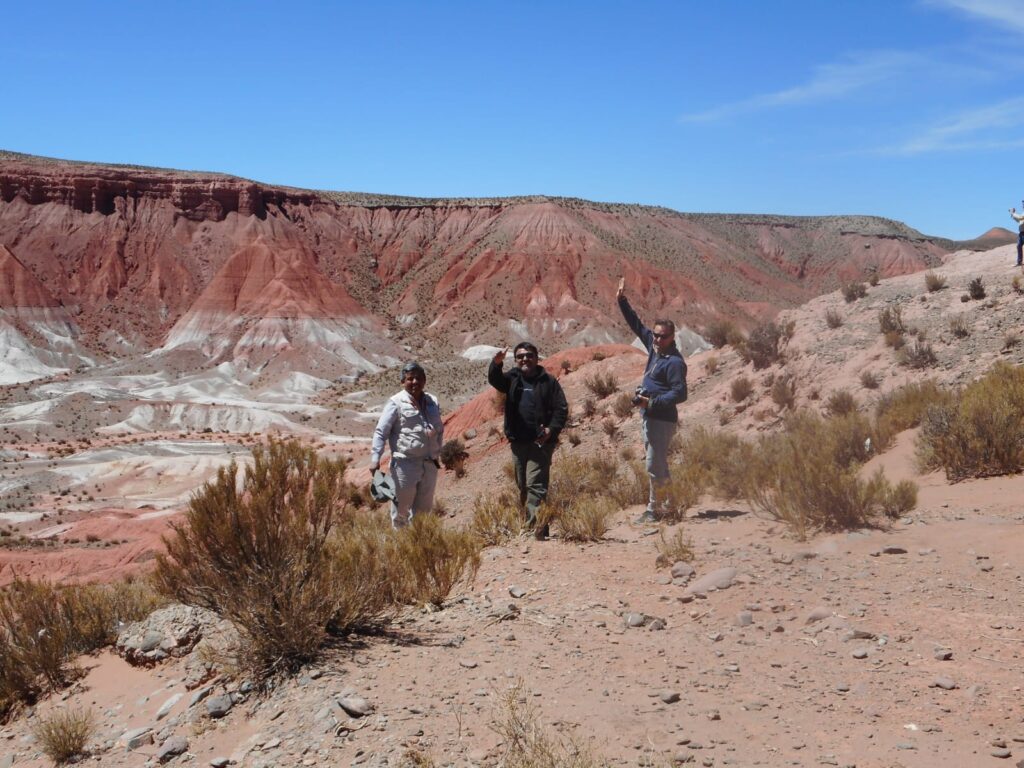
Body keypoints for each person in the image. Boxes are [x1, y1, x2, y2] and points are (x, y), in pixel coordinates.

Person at [616, 277, 688, 523]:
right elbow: (636, 325)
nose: (657, 340)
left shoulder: (675, 362)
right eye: (656, 335)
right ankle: (669, 506)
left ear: (672, 337)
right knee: (658, 464)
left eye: (662, 337)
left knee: (653, 465)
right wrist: (621, 301)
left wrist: (652, 402)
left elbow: (681, 393)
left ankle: (653, 510)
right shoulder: (655, 349)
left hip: (661, 418)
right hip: (649, 416)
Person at [488, 342, 568, 539]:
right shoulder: (512, 379)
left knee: (536, 484)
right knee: (523, 485)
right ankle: (533, 524)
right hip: (518, 442)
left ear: (536, 358)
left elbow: (561, 408)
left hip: (541, 442)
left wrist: (551, 429)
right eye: (521, 356)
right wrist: (496, 364)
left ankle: (535, 530)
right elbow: (495, 380)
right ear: (516, 360)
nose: (525, 359)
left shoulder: (548, 382)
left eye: (529, 355)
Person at [370, 362, 444, 528]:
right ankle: (402, 551)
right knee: (401, 514)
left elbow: (439, 429)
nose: (415, 382)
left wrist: (438, 452)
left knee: (424, 515)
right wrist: (375, 458)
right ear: (403, 382)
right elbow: (381, 432)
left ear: (424, 380)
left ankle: (421, 550)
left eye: (419, 378)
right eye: (410, 379)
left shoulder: (433, 401)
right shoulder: (395, 403)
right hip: (404, 467)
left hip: (429, 465)